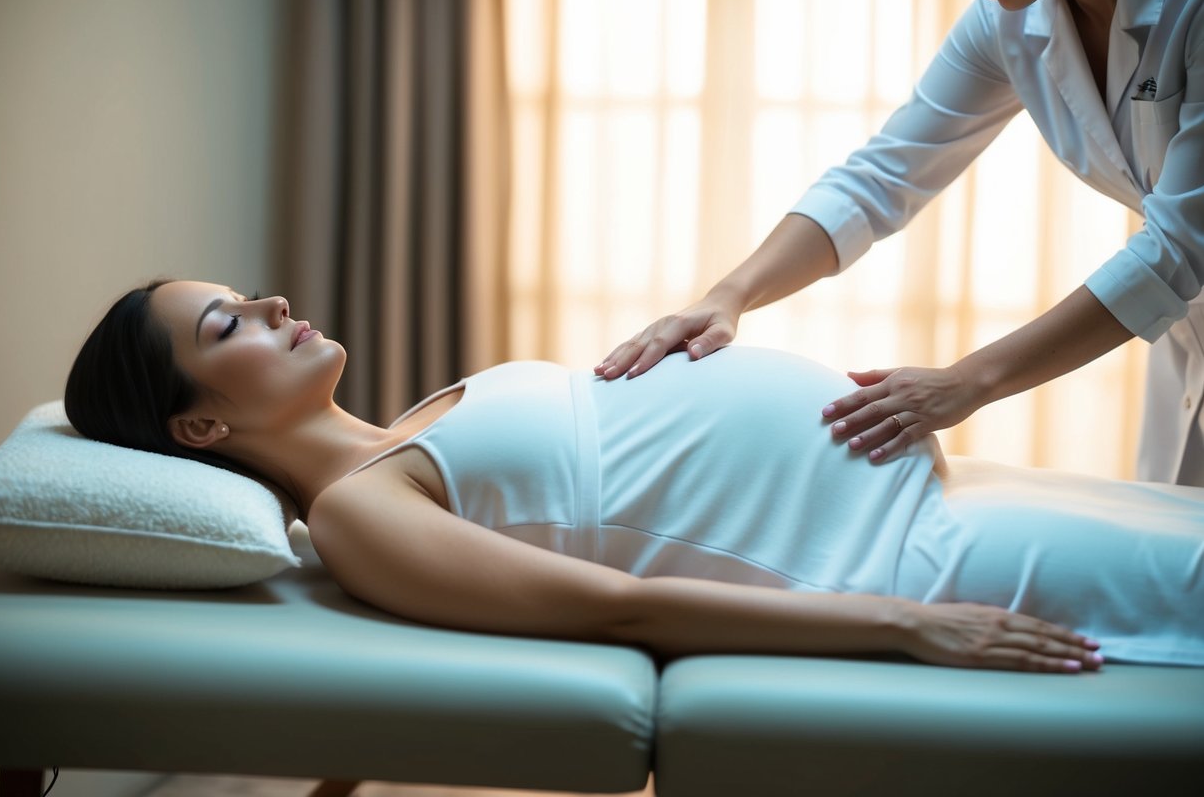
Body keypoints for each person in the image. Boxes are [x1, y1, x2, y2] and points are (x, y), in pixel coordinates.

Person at [65, 281, 1204, 671]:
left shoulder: (409, 427)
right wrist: (907, 626)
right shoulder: (362, 516)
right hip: (898, 558)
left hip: (929, 493)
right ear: (203, 426)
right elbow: (617, 606)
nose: (269, 303)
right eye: (228, 324)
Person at [595, 0, 1204, 484]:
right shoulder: (1012, 21)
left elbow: (1177, 244)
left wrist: (968, 382)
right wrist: (729, 295)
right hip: (1183, 343)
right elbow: (879, 179)